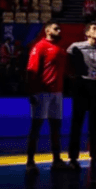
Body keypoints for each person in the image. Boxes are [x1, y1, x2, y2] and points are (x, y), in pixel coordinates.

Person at [25, 22, 71, 174]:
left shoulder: (60, 48)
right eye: (56, 28)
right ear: (47, 30)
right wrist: (32, 92)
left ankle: (56, 160)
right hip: (42, 93)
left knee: (56, 128)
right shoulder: (40, 47)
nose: (59, 30)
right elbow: (31, 70)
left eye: (59, 28)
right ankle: (30, 162)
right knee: (36, 127)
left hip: (57, 93)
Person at [66, 23, 96, 170]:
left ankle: (95, 158)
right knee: (77, 123)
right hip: (81, 86)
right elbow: (67, 62)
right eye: (95, 29)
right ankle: (73, 159)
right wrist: (74, 77)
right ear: (87, 33)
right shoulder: (75, 47)